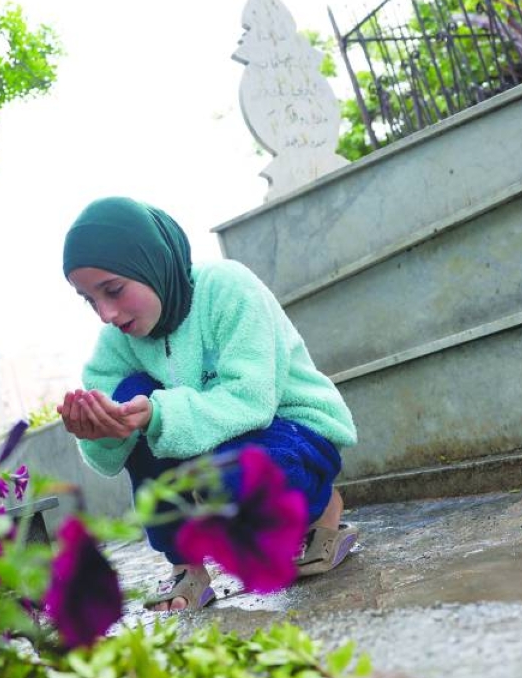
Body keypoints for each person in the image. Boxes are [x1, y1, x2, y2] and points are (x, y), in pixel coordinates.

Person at [57, 196, 359, 611]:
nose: (106, 313)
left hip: (292, 429)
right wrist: (102, 429)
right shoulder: (117, 341)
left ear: (151, 262)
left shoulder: (226, 289)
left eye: (113, 290)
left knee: (232, 475)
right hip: (208, 448)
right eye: (90, 300)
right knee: (127, 398)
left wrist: (160, 413)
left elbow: (252, 399)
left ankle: (321, 506)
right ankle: (187, 566)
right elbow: (110, 446)